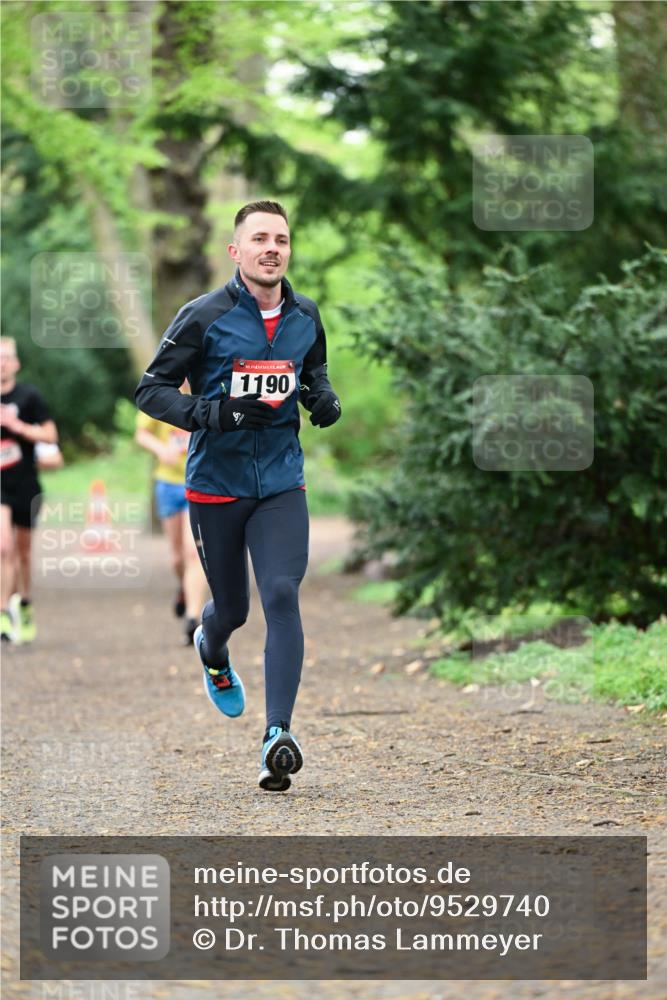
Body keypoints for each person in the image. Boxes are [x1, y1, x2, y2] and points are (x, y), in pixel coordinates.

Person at [135, 200, 341, 792]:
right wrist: (213, 413)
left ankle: (278, 734)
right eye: (259, 239)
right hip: (215, 486)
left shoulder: (306, 314)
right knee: (233, 610)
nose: (271, 247)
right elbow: (151, 392)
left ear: (288, 249)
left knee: (281, 593)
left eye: (280, 238)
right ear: (237, 251)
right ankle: (211, 646)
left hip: (281, 481)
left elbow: (313, 373)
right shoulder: (203, 315)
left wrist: (322, 399)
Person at [135, 400, 209, 645]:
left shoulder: (208, 386)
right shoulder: (166, 391)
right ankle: (184, 588)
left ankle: (192, 618)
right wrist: (161, 449)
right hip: (168, 483)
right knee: (177, 558)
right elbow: (142, 434)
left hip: (199, 481)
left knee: (193, 551)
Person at [0, 337, 59, 644]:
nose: (1, 363)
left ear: (16, 363)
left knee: (22, 553)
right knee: (3, 546)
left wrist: (20, 426)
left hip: (25, 485)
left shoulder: (29, 396)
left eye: (6, 357)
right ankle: (1, 615)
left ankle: (24, 603)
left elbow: (50, 434)